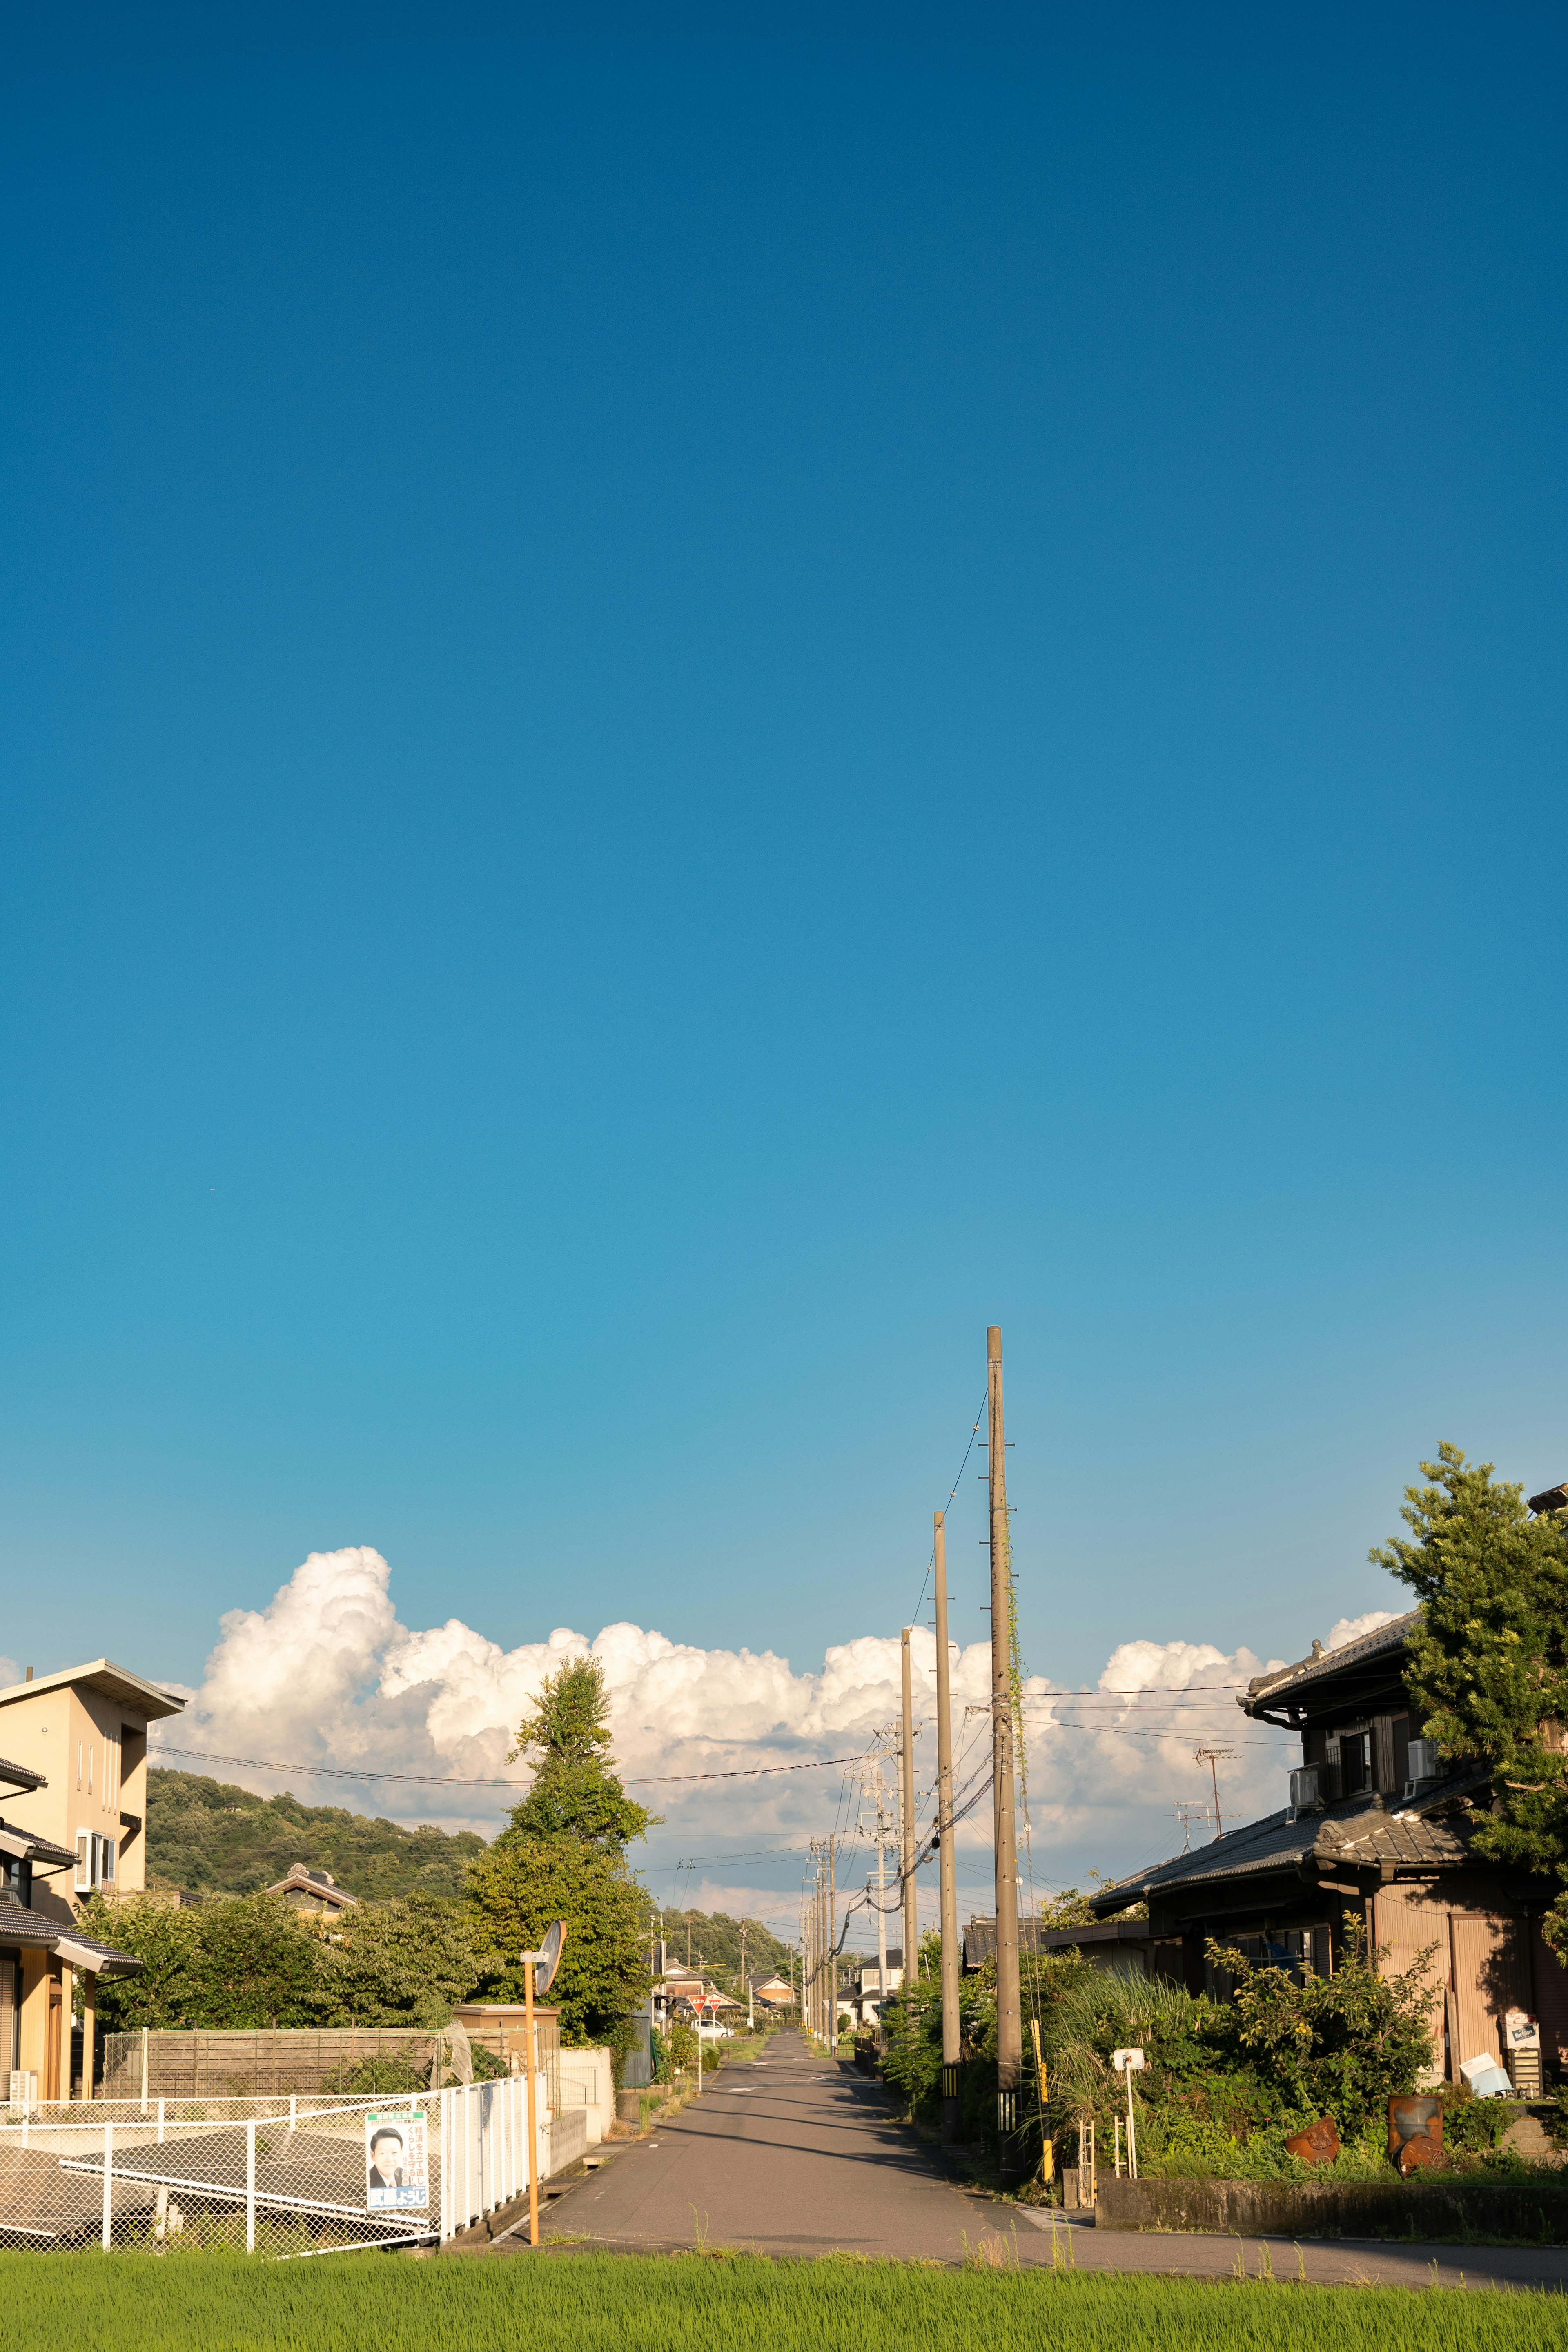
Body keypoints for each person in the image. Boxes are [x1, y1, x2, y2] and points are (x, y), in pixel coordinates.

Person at [368, 2125, 405, 2191]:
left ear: (401, 2153)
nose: (390, 2159)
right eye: (383, 2153)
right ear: (373, 2155)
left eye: (394, 2153)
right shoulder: (366, 2181)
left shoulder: (404, 2175)